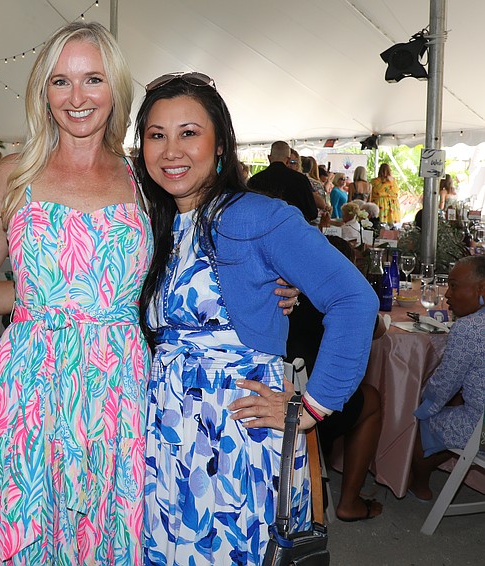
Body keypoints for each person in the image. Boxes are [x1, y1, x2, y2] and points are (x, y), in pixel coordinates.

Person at [133, 72, 378, 564]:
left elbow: (355, 299)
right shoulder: (151, 221)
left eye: (189, 133)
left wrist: (312, 407)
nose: (170, 150)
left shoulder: (256, 216)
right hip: (164, 427)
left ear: (219, 143)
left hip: (235, 429)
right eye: (156, 135)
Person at [0, 21, 154, 564]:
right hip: (28, 386)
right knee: (24, 531)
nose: (77, 97)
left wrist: (272, 290)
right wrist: (38, 304)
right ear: (43, 90)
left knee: (107, 533)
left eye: (93, 79)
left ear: (116, 88)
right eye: (61, 81)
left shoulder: (146, 179)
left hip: (118, 388)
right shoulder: (12, 174)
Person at [287, 235, 384, 522]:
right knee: (373, 400)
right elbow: (377, 330)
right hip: (313, 412)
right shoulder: (345, 299)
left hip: (277, 399)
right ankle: (350, 501)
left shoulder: (283, 292)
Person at [409, 256, 485, 501]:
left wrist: (421, 404)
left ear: (481, 289)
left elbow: (443, 385)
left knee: (423, 420)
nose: (447, 295)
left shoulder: (469, 328)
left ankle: (418, 484)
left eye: (453, 285)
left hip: (481, 429)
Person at [247, 140, 318, 223]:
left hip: (262, 230)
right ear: (288, 160)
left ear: (269, 158)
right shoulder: (300, 180)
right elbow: (312, 213)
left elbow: (248, 210)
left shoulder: (254, 180)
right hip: (293, 230)